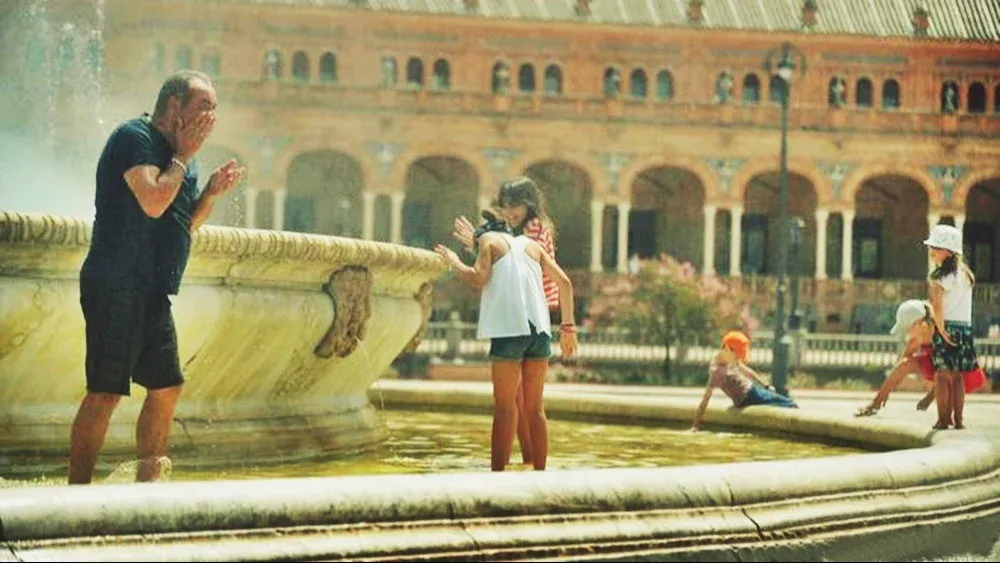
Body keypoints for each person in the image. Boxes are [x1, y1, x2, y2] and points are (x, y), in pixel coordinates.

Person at [69, 70, 245, 484]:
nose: (211, 117)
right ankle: (76, 492)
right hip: (115, 281)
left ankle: (147, 489)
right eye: (203, 107)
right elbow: (151, 201)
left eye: (214, 109)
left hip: (152, 290)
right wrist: (182, 157)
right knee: (106, 392)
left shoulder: (184, 157)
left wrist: (210, 194)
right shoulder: (135, 138)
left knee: (167, 387)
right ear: (173, 106)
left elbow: (184, 224)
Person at [436, 198, 578, 472]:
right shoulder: (531, 245)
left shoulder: (488, 243)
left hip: (508, 331)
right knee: (535, 409)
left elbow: (478, 278)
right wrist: (568, 328)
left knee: (504, 408)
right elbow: (565, 283)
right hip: (539, 332)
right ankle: (540, 474)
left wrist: (455, 262)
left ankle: (497, 477)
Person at [453, 176, 560, 467]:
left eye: (515, 206)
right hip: (533, 315)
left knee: (518, 403)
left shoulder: (531, 229)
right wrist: (477, 241)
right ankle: (531, 464)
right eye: (506, 206)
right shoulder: (525, 229)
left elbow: (514, 264)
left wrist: (476, 242)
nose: (509, 212)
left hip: (527, 314)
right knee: (523, 403)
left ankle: (522, 461)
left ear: (530, 205)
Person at [924, 224, 985, 430]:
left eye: (935, 246)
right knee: (957, 376)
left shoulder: (939, 277)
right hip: (964, 328)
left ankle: (943, 419)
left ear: (947, 251)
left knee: (941, 376)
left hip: (946, 327)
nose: (931, 250)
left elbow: (937, 307)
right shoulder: (966, 274)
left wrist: (940, 330)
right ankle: (958, 420)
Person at [690, 331, 797, 432]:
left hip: (752, 393)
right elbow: (706, 399)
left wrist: (765, 385)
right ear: (727, 348)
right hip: (749, 396)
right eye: (737, 355)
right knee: (790, 404)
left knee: (782, 403)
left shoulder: (729, 358)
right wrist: (695, 425)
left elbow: (748, 372)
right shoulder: (717, 371)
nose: (738, 358)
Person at [855, 299, 937, 417]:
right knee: (905, 363)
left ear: (919, 323)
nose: (907, 333)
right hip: (933, 368)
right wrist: (886, 392)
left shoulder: (941, 335)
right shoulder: (916, 340)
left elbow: (949, 371)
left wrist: (929, 397)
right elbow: (900, 367)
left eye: (908, 328)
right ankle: (875, 404)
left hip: (954, 372)